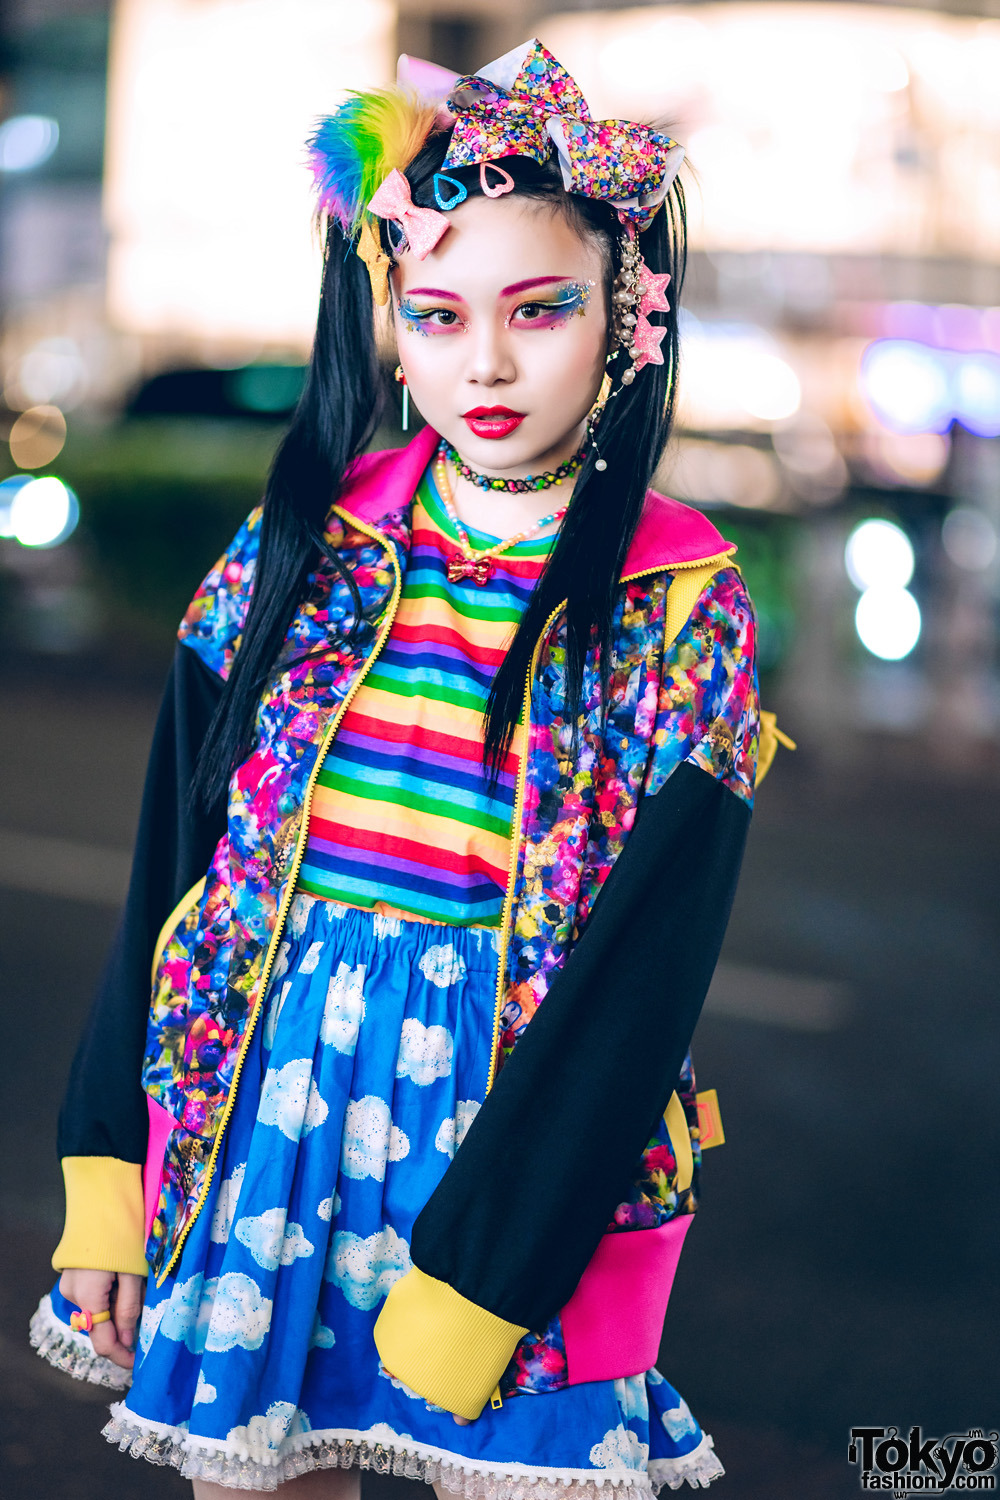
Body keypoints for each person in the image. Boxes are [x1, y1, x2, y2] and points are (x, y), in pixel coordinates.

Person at [30, 38, 771, 1498]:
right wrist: (107, 1180)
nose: (483, 363)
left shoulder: (686, 604)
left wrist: (500, 1268)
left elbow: (642, 979)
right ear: (393, 323)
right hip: (258, 1111)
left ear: (630, 314)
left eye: (538, 309)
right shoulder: (305, 548)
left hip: (521, 1154)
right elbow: (168, 879)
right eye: (436, 314)